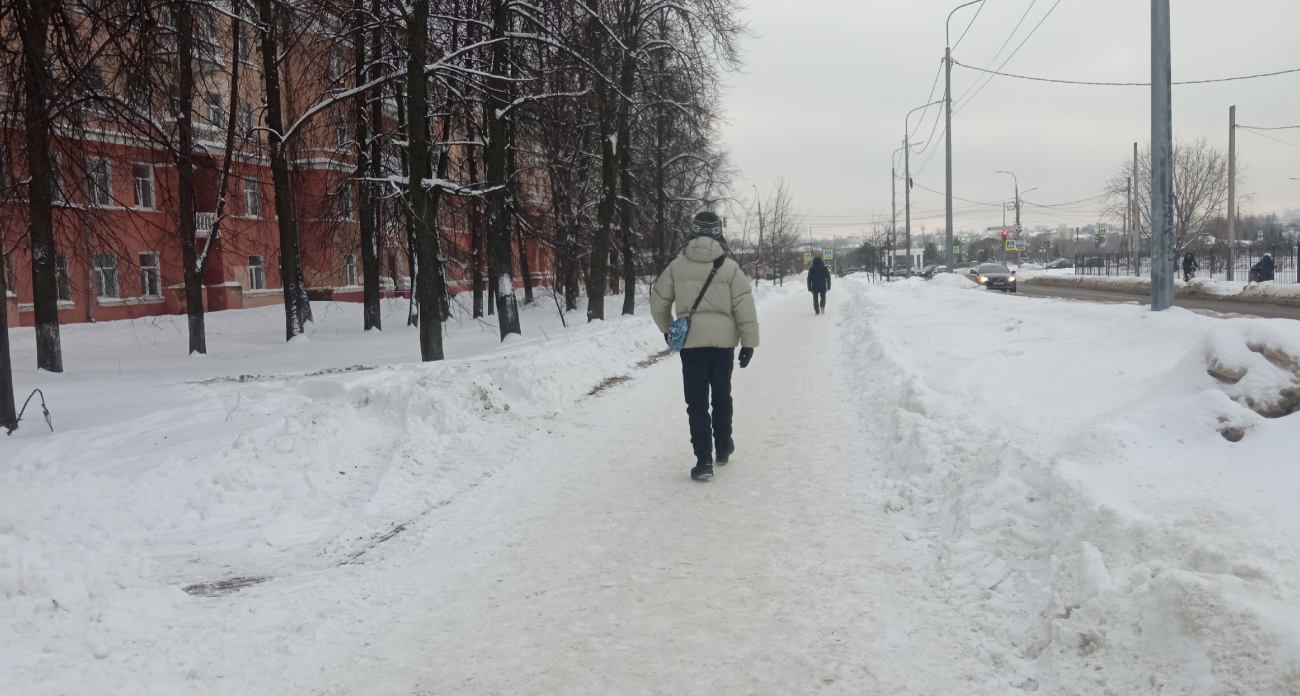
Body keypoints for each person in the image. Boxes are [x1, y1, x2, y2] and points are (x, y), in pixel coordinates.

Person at [651, 211, 760, 481]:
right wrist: (748, 343)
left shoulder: (676, 266)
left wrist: (667, 329)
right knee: (722, 396)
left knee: (696, 402)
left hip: (691, 345)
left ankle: (703, 460)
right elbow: (744, 305)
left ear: (693, 232)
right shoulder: (730, 267)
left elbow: (658, 303)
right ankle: (723, 448)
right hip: (724, 346)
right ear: (718, 234)